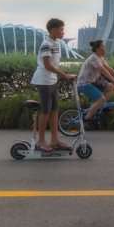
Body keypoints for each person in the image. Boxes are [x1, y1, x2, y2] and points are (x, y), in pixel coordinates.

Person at [30, 18, 76, 152]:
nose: (63, 32)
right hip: (43, 81)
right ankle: (41, 141)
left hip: (52, 80)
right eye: (61, 29)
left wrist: (66, 74)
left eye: (63, 29)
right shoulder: (46, 44)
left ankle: (55, 140)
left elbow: (55, 64)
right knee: (45, 111)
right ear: (53, 30)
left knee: (55, 110)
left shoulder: (56, 43)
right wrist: (64, 75)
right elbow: (47, 65)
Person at [77, 40, 114, 125]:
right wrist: (113, 79)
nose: (105, 49)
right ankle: (87, 119)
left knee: (110, 86)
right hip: (84, 84)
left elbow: (110, 69)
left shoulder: (100, 58)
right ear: (98, 49)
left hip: (93, 82)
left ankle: (101, 106)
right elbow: (102, 70)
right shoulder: (93, 58)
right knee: (101, 99)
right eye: (103, 47)